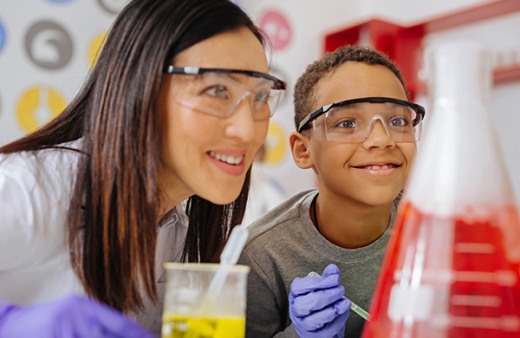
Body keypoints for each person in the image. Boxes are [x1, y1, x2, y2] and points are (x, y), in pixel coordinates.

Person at [0, 0, 286, 337]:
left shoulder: (177, 234)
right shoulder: (33, 188)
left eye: (260, 96)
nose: (248, 130)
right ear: (140, 87)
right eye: (217, 90)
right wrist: (11, 323)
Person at [238, 45, 425, 338]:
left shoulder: (435, 232)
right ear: (303, 150)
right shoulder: (262, 256)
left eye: (397, 121)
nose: (381, 139)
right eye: (347, 123)